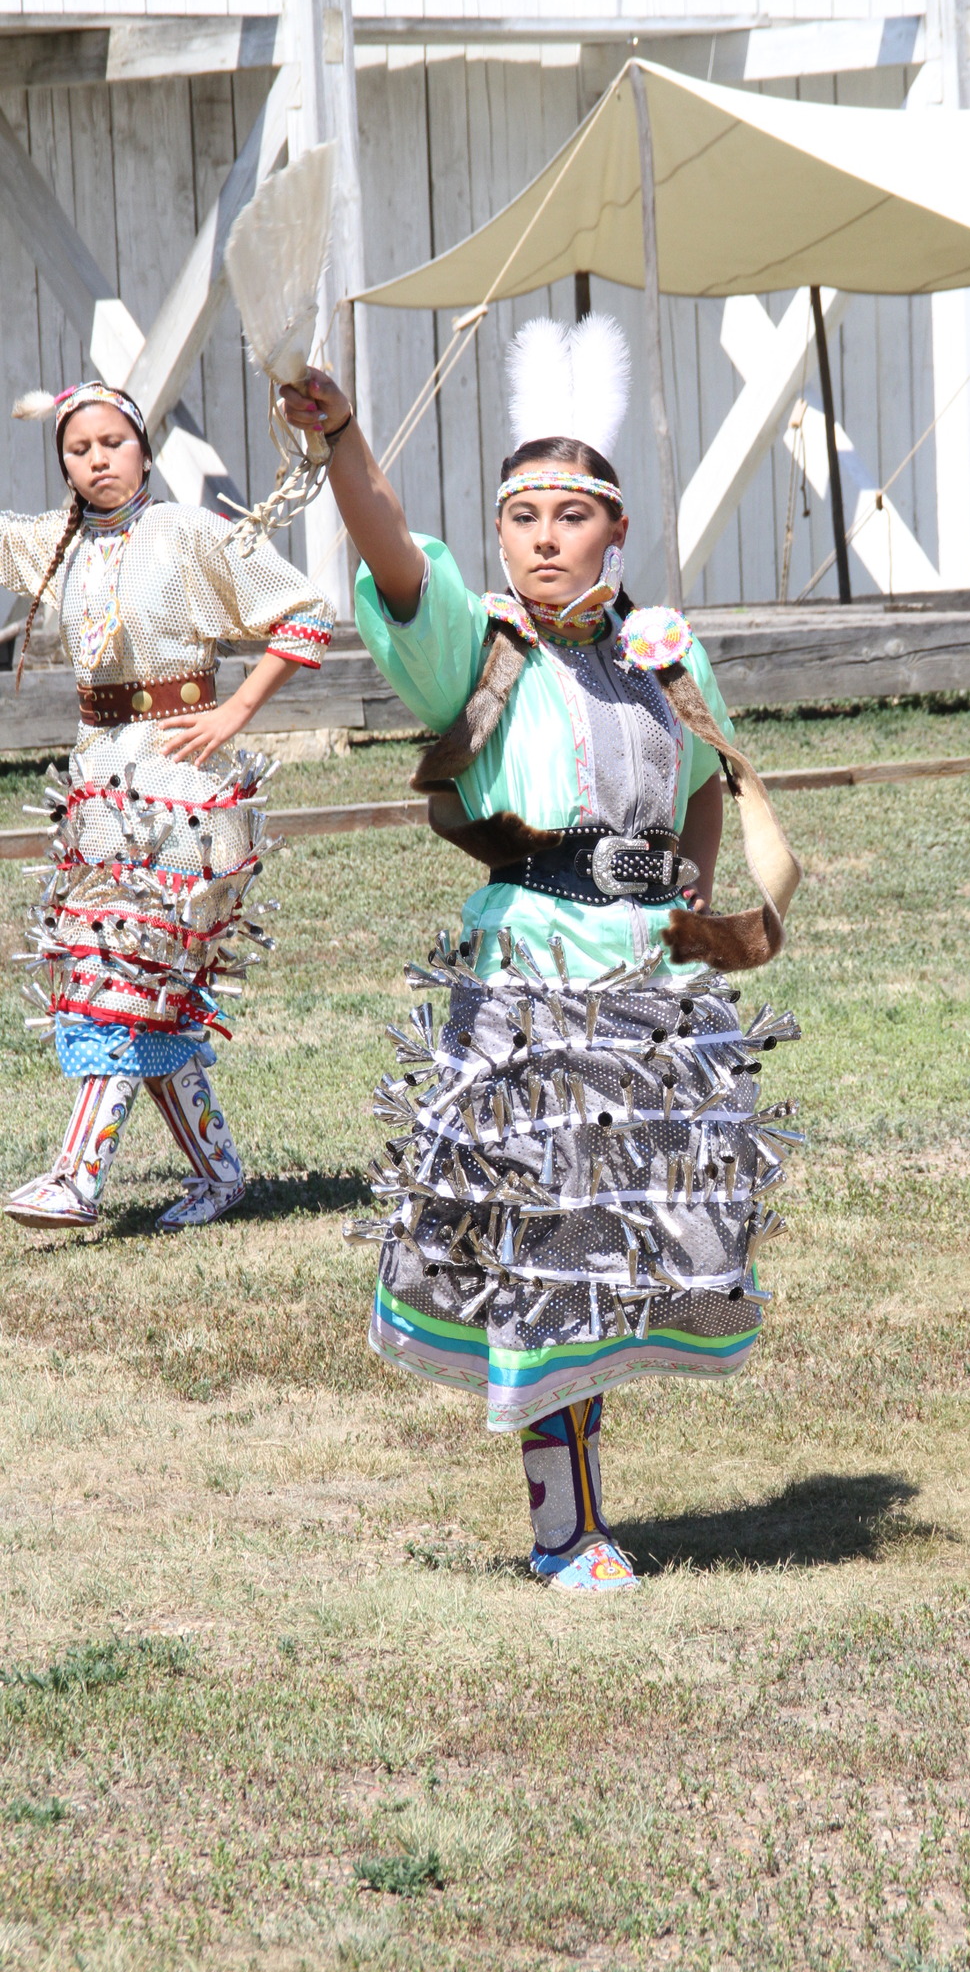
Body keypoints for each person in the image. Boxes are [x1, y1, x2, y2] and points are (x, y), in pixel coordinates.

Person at [279, 314, 801, 1591]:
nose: (547, 538)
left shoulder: (658, 651)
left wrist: (692, 887)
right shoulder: (476, 644)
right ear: (501, 536)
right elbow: (394, 556)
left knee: (623, 1240)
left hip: (646, 981)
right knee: (549, 1237)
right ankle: (566, 1526)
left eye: (573, 517)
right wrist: (343, 440)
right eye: (525, 519)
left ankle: (585, 1501)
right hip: (533, 976)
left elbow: (704, 779)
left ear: (615, 531)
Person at [3, 380, 334, 1232]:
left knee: (123, 976)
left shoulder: (186, 531)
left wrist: (232, 713)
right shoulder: (54, 543)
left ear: (142, 448)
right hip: (97, 784)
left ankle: (76, 1178)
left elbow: (303, 616)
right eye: (79, 449)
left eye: (113, 443)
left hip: (183, 787)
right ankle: (220, 1174)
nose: (98, 460)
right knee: (135, 988)